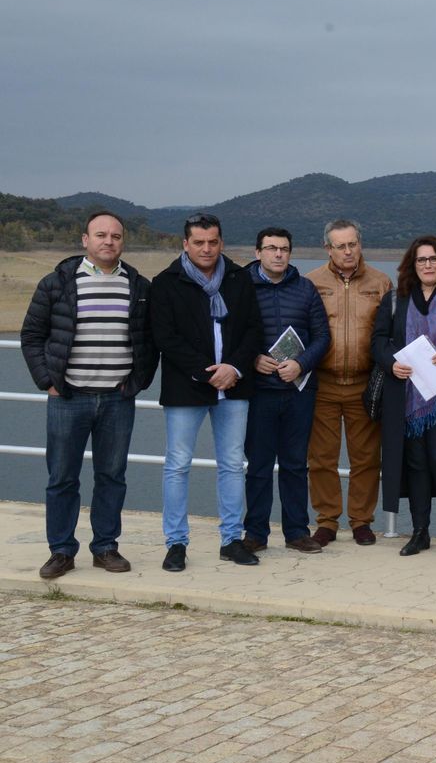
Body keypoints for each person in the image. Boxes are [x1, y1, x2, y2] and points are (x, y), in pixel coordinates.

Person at [22, 211, 158, 579]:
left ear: (122, 242)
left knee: (112, 475)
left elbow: (150, 341)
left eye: (115, 236)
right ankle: (62, 550)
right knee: (62, 477)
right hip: (68, 398)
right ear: (85, 240)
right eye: (100, 235)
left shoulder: (139, 286)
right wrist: (46, 380)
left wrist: (137, 383)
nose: (108, 241)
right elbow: (32, 335)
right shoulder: (58, 283)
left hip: (117, 399)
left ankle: (105, 547)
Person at [149, 213, 264, 571]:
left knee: (232, 464)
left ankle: (231, 540)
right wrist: (206, 373)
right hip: (186, 387)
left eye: (213, 241)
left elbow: (252, 329)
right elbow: (165, 337)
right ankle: (176, 544)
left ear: (221, 242)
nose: (206, 248)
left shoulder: (238, 279)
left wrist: (233, 367)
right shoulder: (166, 283)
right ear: (186, 244)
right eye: (198, 242)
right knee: (178, 465)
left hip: (235, 383)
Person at [372, 236, 436, 558]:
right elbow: (377, 342)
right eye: (422, 260)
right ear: (412, 265)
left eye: (433, 259)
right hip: (406, 398)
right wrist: (392, 364)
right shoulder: (395, 300)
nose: (428, 265)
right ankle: (419, 532)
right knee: (416, 464)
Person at [242, 227, 331, 554]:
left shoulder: (306, 289)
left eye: (284, 249)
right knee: (259, 465)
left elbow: (323, 337)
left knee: (295, 464)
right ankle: (255, 533)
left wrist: (302, 364)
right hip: (258, 392)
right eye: (271, 248)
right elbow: (232, 334)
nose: (278, 254)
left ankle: (296, 531)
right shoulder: (241, 287)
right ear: (258, 252)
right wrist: (252, 359)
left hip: (298, 391)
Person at [306, 219, 392, 547]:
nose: (347, 251)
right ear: (327, 248)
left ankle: (361, 521)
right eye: (340, 246)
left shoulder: (381, 283)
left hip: (364, 385)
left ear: (361, 244)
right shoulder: (311, 282)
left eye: (352, 244)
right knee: (322, 458)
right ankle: (327, 521)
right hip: (323, 383)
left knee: (366, 458)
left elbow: (391, 334)